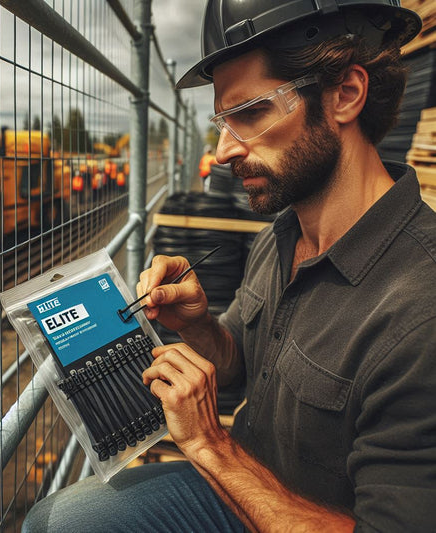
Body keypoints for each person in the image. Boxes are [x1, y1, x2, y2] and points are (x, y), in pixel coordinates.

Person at [23, 0, 436, 531]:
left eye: (251, 113)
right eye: (223, 120)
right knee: (55, 521)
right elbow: (239, 366)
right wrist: (199, 327)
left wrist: (209, 445)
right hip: (237, 483)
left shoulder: (418, 311)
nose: (222, 151)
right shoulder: (280, 238)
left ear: (345, 95)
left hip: (283, 507)